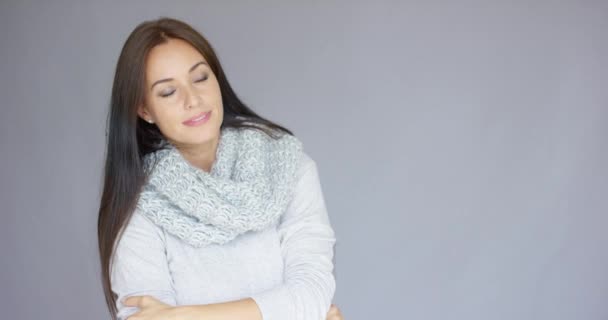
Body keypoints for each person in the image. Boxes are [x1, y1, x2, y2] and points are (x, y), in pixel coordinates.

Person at [97, 17, 343, 320]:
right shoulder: (138, 203)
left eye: (200, 78)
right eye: (167, 92)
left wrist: (183, 315)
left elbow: (312, 294)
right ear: (144, 109)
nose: (193, 100)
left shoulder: (289, 169)